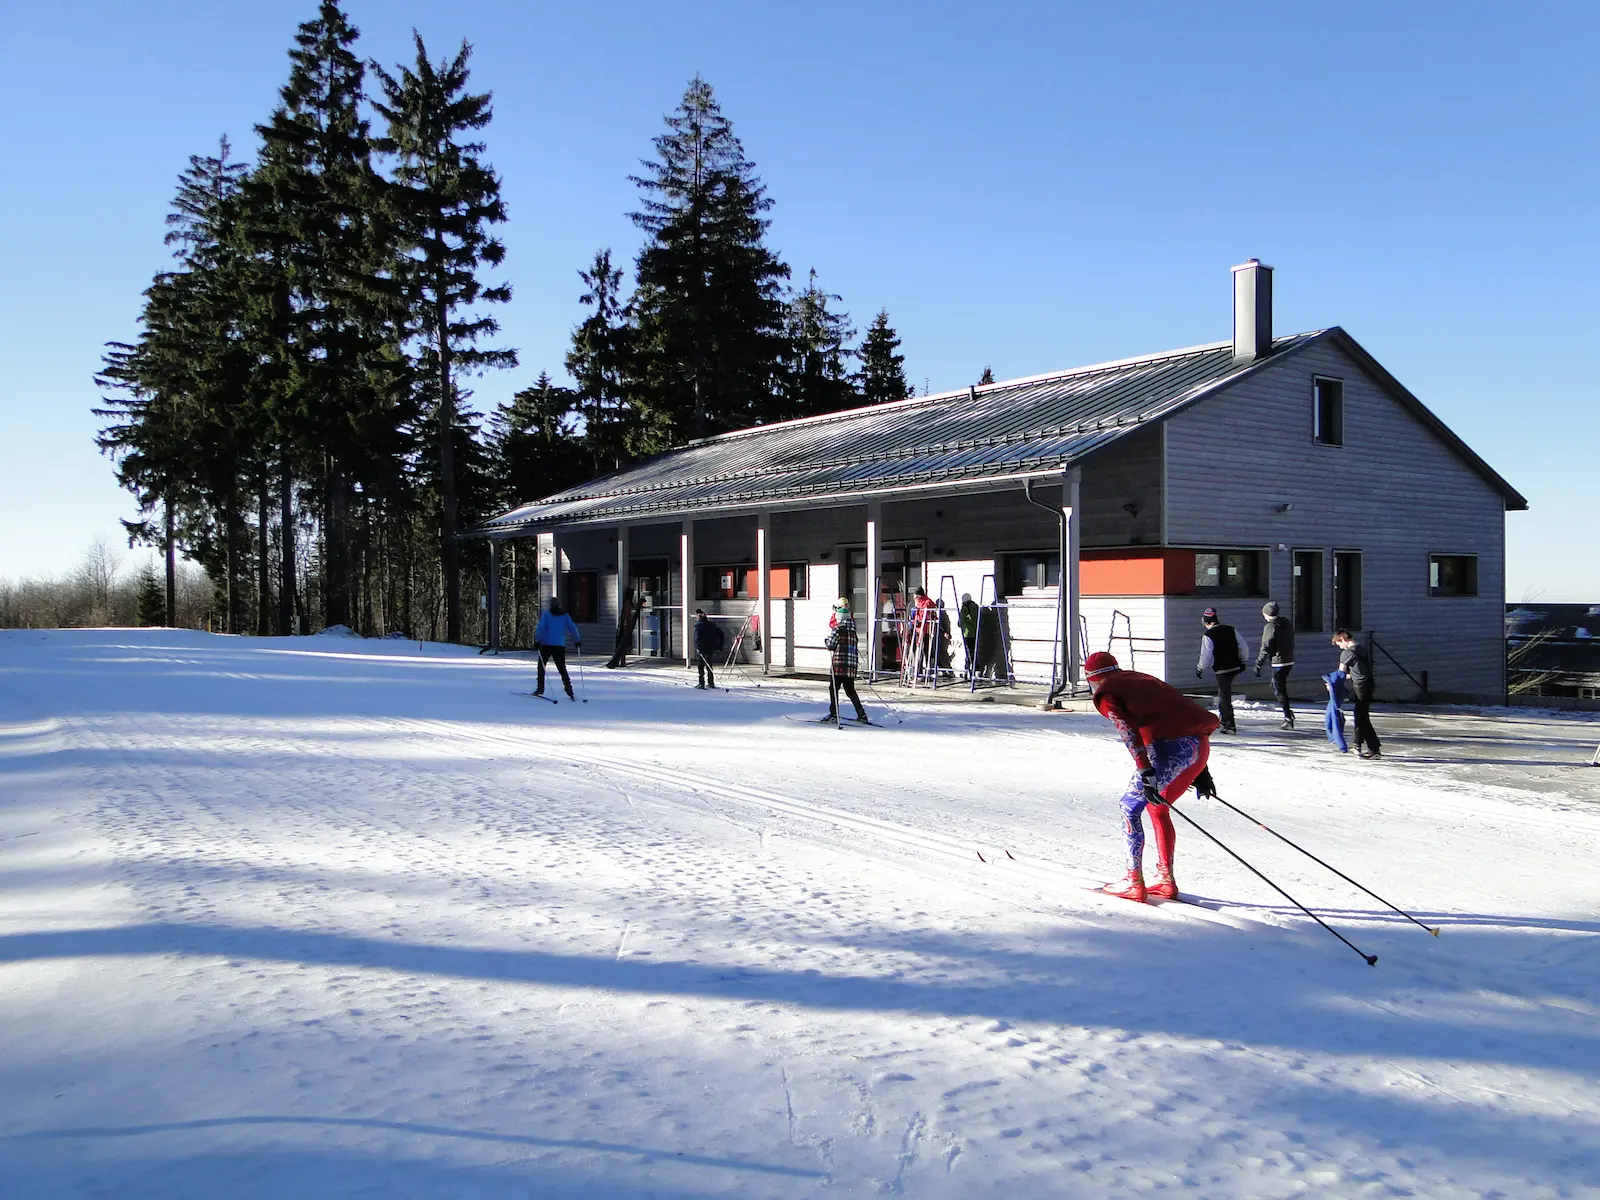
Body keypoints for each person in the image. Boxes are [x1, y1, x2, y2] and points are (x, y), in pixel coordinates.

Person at [1087, 651, 1220, 902]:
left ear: (1091, 679)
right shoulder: (1140, 679)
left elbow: (1128, 734)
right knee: (1157, 808)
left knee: (1129, 806)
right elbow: (1180, 712)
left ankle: (1133, 881)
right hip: (1199, 745)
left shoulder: (1106, 693)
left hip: (1169, 749)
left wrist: (1146, 771)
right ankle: (1165, 879)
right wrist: (1201, 768)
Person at [1195, 606, 1250, 734]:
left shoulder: (1208, 635)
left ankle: (1228, 723)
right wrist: (1243, 661)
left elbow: (1206, 655)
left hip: (1222, 668)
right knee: (1224, 692)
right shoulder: (1231, 629)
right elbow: (1243, 646)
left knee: (1224, 695)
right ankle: (1224, 719)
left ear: (1206, 622)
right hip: (1235, 665)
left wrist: (1200, 668)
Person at [1332, 630, 1382, 758]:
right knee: (1361, 715)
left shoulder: (1347, 653)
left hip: (1361, 686)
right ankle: (1361, 744)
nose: (1340, 647)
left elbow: (1340, 673)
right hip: (1369, 683)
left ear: (1343, 639)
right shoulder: (1361, 649)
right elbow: (1358, 669)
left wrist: (1331, 684)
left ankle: (1370, 748)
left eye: (1339, 644)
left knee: (1361, 717)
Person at [824, 598, 870, 723]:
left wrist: (826, 641)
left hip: (839, 666)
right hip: (850, 667)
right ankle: (862, 714)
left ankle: (834, 714)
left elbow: (831, 645)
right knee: (850, 691)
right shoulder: (853, 631)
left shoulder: (837, 630)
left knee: (833, 689)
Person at [1254, 600, 1297, 730]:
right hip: (1289, 659)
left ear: (1266, 614)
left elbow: (1266, 646)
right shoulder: (1286, 623)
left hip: (1279, 662)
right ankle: (1288, 713)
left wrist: (1258, 663)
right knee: (1277, 686)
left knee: (1279, 689)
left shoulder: (1270, 627)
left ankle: (1288, 718)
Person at [534, 597, 581, 699]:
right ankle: (569, 690)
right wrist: (577, 640)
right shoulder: (565, 615)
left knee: (541, 666)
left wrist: (537, 640)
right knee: (562, 668)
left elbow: (541, 628)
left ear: (551, 605)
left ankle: (540, 689)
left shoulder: (546, 615)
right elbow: (572, 627)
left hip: (546, 644)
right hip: (559, 645)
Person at [692, 609, 725, 689]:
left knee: (701, 666)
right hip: (711, 648)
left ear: (698, 616)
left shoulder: (698, 626)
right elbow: (721, 634)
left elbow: (697, 638)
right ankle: (711, 682)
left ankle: (701, 683)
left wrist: (698, 647)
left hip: (702, 648)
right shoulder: (712, 625)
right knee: (709, 665)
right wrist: (719, 645)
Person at [958, 593, 979, 676]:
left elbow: (960, 621)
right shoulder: (976, 607)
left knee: (969, 652)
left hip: (967, 633)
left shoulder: (964, 608)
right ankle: (975, 669)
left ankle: (968, 669)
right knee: (974, 651)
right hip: (976, 631)